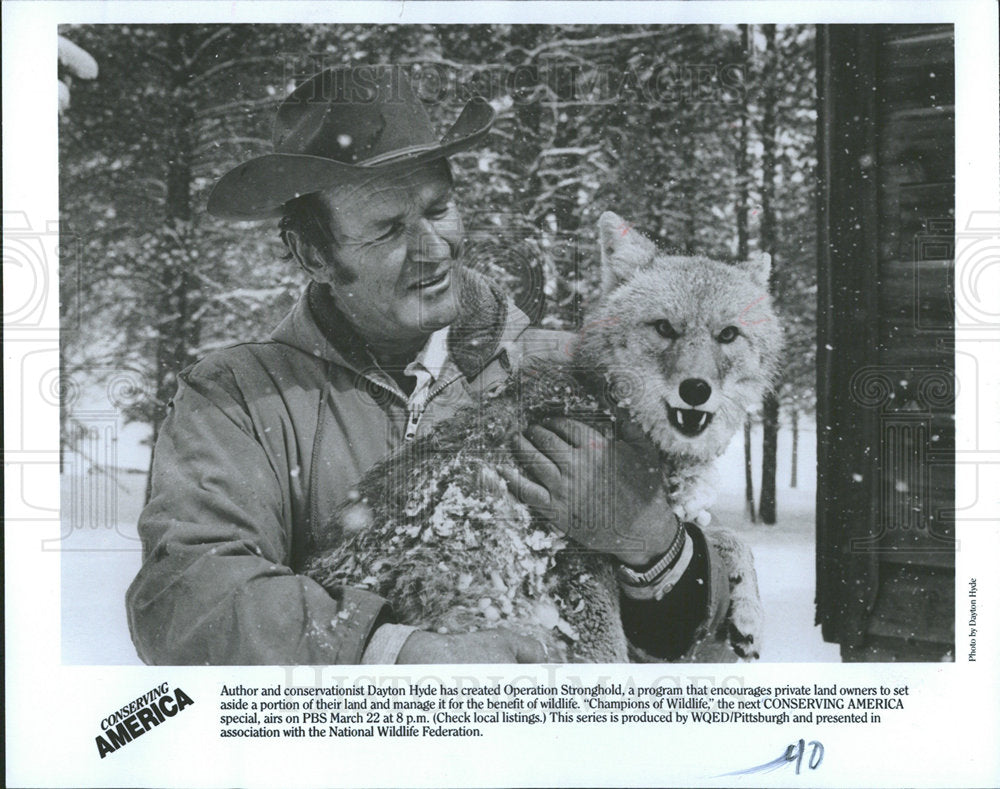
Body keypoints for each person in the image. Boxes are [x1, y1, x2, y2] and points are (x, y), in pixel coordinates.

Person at [126, 65, 738, 665]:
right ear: (314, 253)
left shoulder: (568, 369)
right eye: (389, 228)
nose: (434, 247)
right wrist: (398, 653)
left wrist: (650, 539)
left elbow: (699, 641)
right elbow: (186, 600)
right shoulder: (238, 399)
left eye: (439, 207)